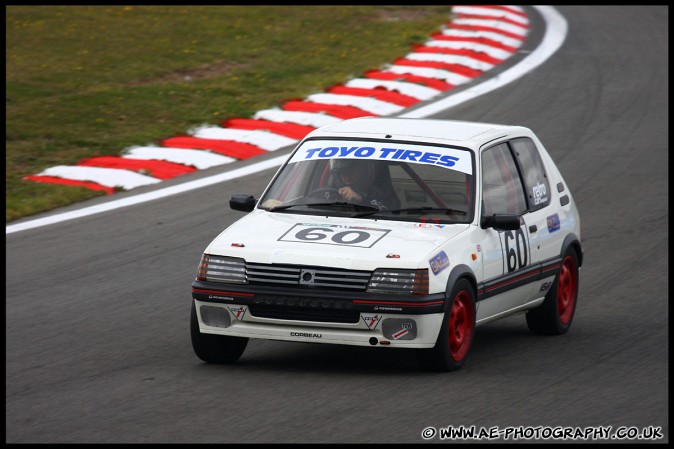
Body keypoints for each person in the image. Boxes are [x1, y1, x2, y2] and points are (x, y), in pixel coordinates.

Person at [330, 159, 400, 210]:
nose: (347, 176)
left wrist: (360, 199)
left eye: (350, 171)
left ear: (361, 171)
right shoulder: (331, 191)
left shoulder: (375, 191)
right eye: (343, 173)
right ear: (338, 175)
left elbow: (388, 211)